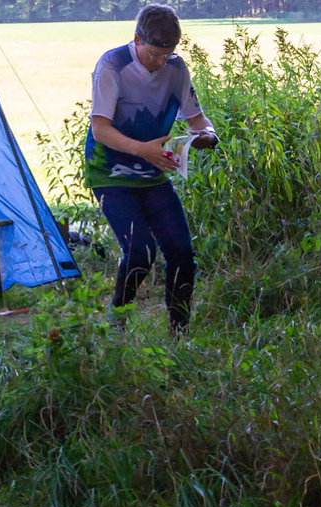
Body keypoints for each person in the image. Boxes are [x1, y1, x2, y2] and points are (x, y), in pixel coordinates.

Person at [84, 3, 219, 335]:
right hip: (110, 173)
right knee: (141, 252)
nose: (161, 62)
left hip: (153, 174)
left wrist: (208, 136)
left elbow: (198, 119)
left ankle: (179, 332)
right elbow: (100, 129)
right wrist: (142, 150)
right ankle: (116, 325)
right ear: (137, 39)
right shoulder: (112, 65)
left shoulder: (176, 68)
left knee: (182, 253)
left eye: (168, 54)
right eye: (154, 54)